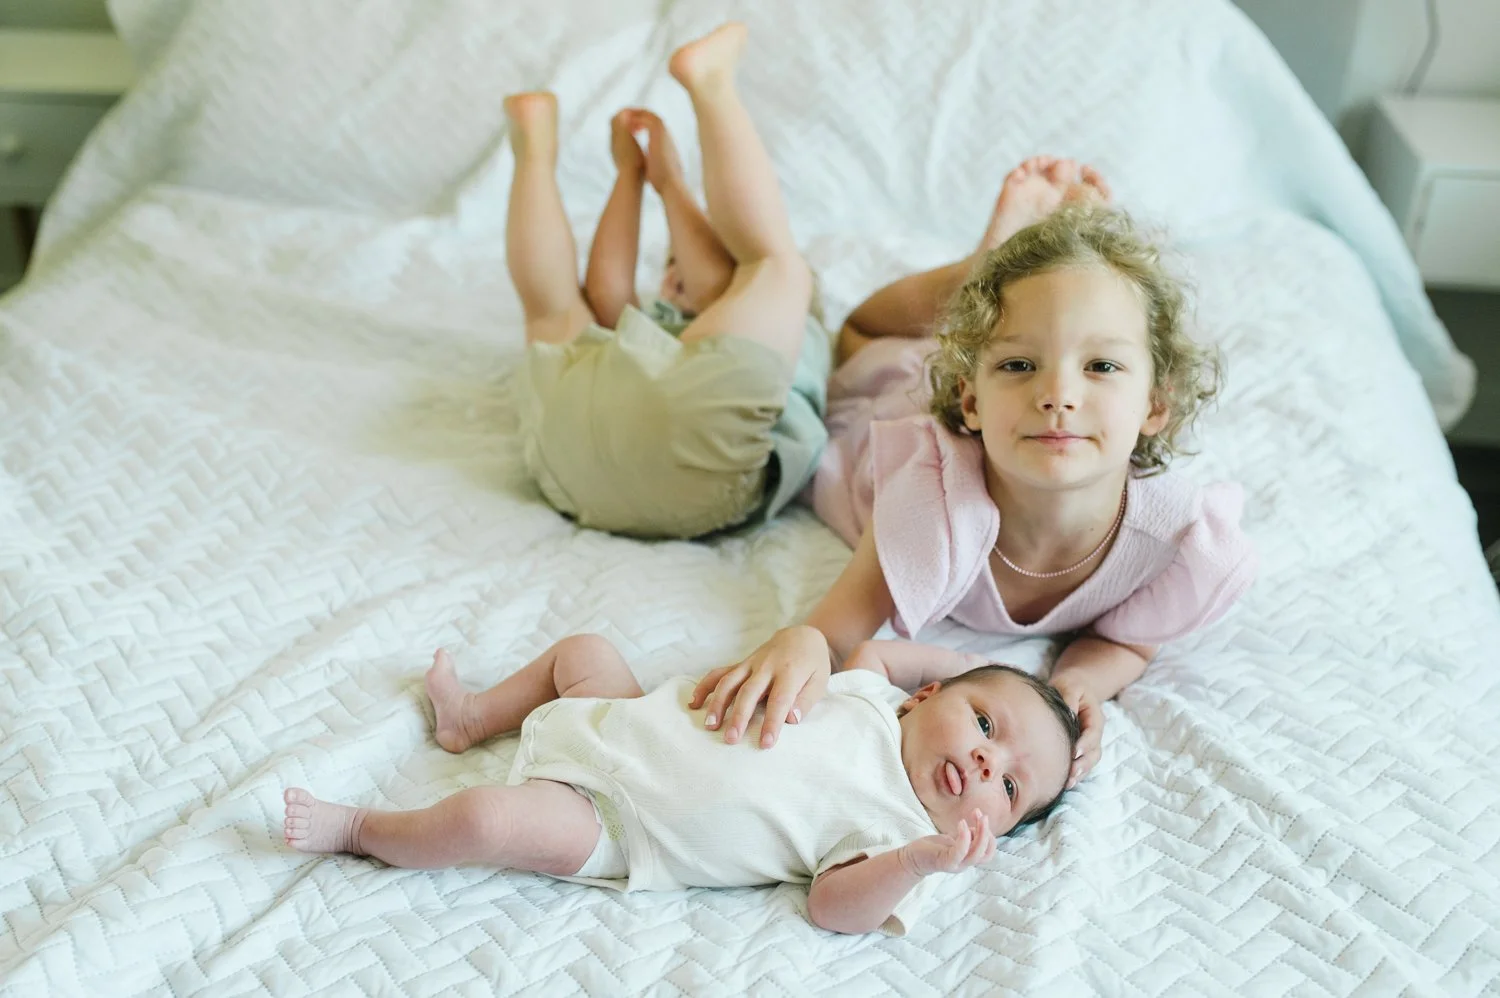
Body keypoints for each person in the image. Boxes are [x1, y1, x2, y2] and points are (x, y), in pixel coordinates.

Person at [687, 161, 1257, 788]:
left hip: (961, 377)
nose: (1058, 393)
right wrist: (799, 643)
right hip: (884, 396)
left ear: (1156, 403)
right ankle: (978, 269)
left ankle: (999, 292)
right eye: (1020, 364)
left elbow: (1129, 638)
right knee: (850, 336)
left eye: (1101, 366)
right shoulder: (933, 499)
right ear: (972, 403)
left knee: (985, 327)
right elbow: (831, 634)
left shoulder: (1172, 540)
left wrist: (1078, 681)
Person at [283, 637, 1081, 936]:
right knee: (582, 648)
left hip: (621, 823)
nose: (986, 765)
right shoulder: (867, 691)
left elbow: (832, 908)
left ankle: (361, 830)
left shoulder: (904, 836)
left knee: (486, 818)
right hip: (623, 716)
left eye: (1010, 789)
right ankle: (471, 720)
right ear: (926, 696)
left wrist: (922, 864)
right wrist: (979, 669)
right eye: (986, 725)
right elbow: (882, 648)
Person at [505, 21, 830, 540]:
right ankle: (706, 85)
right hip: (674, 480)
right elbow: (612, 294)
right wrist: (629, 177)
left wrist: (667, 182)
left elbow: (719, 288)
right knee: (767, 264)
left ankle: (535, 152)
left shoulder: (798, 327)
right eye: (670, 264)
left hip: (567, 458)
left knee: (776, 266)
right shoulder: (670, 339)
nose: (676, 274)